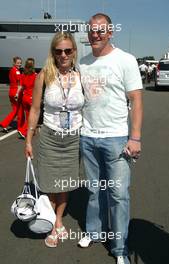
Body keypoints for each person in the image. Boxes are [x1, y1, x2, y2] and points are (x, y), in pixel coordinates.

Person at [78, 13, 143, 264]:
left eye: (101, 30)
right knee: (94, 191)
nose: (96, 34)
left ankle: (119, 248)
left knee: (118, 194)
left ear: (110, 32)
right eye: (92, 30)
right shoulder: (82, 63)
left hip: (116, 138)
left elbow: (136, 99)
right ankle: (93, 231)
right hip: (88, 136)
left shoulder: (125, 60)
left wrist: (134, 137)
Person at [25, 32, 84, 247]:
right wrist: (29, 139)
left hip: (73, 138)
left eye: (68, 50)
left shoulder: (81, 76)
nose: (63, 55)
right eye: (58, 51)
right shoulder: (44, 75)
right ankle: (52, 222)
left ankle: (58, 220)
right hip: (49, 137)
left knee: (65, 183)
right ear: (53, 53)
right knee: (50, 183)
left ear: (74, 51)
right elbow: (34, 109)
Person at [0, 56, 24, 133]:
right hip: (16, 92)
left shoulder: (11, 70)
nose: (19, 64)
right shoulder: (16, 71)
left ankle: (5, 124)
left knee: (16, 109)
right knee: (18, 110)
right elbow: (19, 83)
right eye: (18, 63)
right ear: (14, 63)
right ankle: (20, 127)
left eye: (20, 63)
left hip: (11, 91)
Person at [18, 58, 37, 139]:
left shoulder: (23, 75)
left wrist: (16, 94)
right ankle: (24, 131)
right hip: (31, 97)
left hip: (24, 97)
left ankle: (29, 130)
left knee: (28, 115)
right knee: (32, 116)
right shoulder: (35, 75)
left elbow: (21, 86)